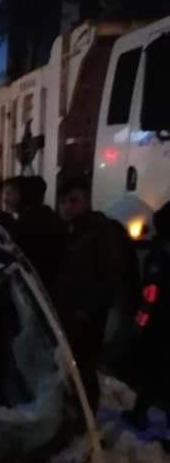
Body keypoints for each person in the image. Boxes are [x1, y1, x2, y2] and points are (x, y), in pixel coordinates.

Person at [55, 177, 126, 411]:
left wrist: (88, 310)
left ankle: (87, 420)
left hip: (87, 317)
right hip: (72, 313)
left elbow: (110, 277)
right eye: (64, 201)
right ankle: (79, 412)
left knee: (85, 368)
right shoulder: (73, 232)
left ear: (87, 202)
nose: (67, 206)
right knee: (76, 368)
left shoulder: (100, 233)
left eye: (74, 201)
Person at [123, 201, 170, 432]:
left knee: (154, 369)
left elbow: (151, 294)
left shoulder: (160, 254)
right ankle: (140, 411)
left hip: (160, 324)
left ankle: (139, 413)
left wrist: (139, 324)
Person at [13, 176, 66, 290]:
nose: (10, 198)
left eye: (15, 193)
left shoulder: (25, 223)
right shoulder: (52, 218)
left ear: (24, 195)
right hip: (54, 284)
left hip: (34, 285)